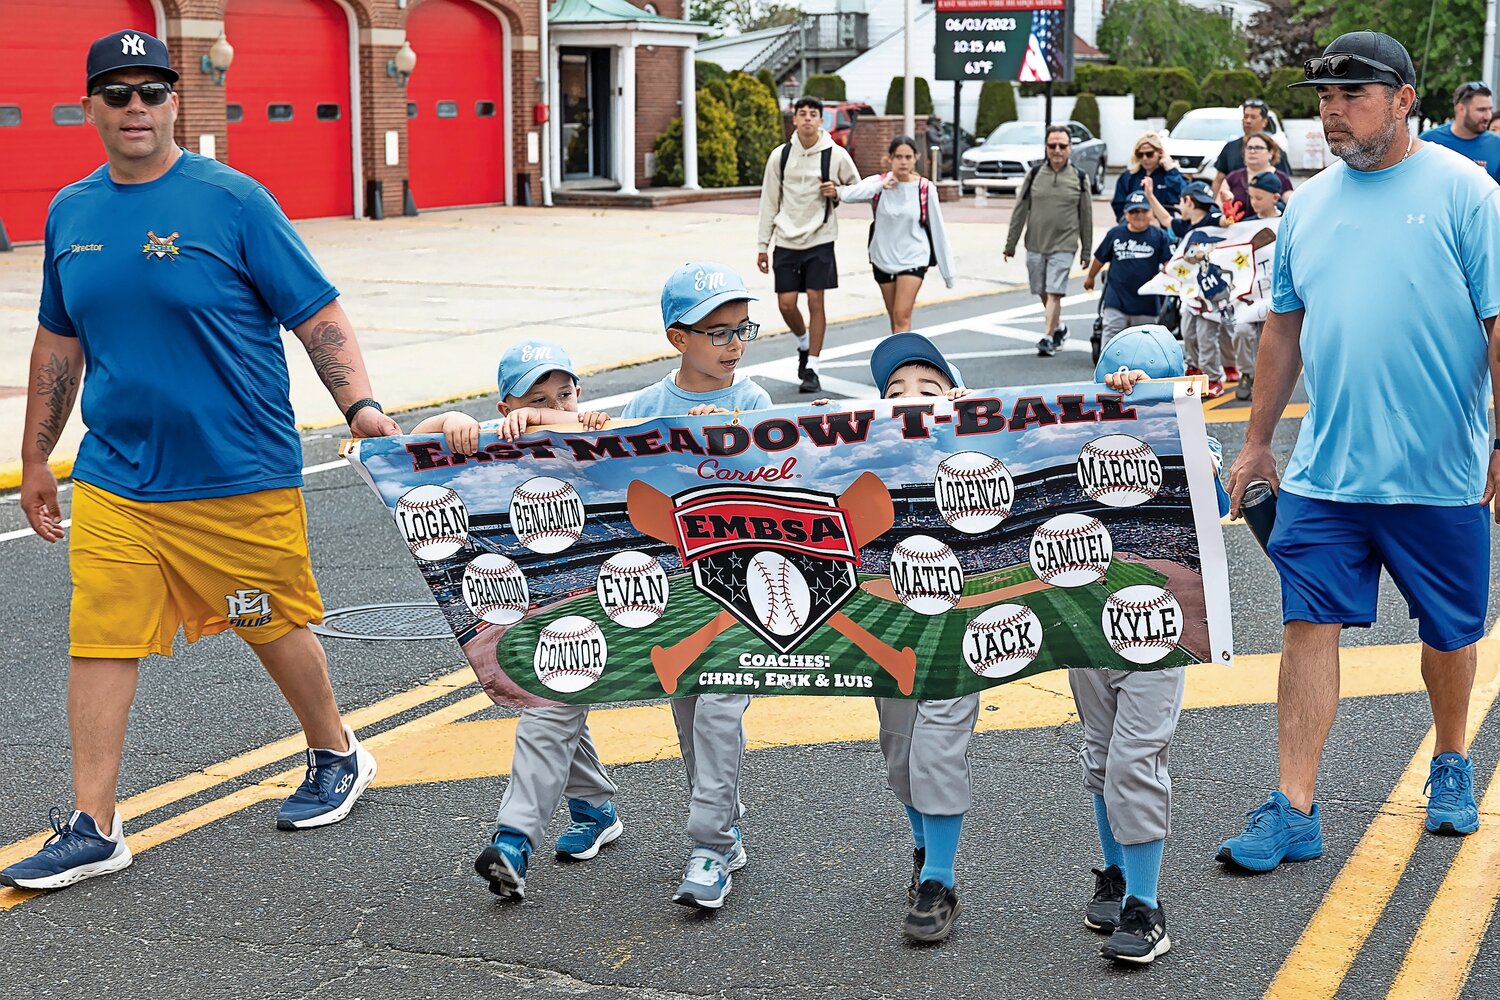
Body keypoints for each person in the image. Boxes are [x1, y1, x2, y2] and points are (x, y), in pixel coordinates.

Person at [1, 30, 401, 892]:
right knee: (100, 636)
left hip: (236, 471)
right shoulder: (71, 212)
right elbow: (57, 343)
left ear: (175, 100)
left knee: (269, 619)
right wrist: (38, 457)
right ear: (92, 108)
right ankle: (92, 825)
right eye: (118, 93)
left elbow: (318, 316)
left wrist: (360, 407)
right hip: (117, 476)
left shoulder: (235, 202)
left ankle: (335, 750)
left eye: (152, 91)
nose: (136, 107)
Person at [1221, 31, 1500, 873]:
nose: (1332, 112)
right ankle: (1294, 807)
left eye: (1352, 96)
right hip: (1327, 472)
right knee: (1307, 625)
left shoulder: (1467, 192)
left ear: (1405, 99)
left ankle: (1450, 762)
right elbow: (1284, 325)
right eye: (1324, 99)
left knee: (1449, 632)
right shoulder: (1308, 204)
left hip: (1438, 471)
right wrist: (1258, 441)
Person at [410, 341, 621, 901]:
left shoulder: (591, 433)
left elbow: (641, 441)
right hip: (532, 600)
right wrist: (451, 421)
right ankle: (593, 807)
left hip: (604, 596)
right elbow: (406, 446)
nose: (558, 405)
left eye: (566, 393)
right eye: (537, 397)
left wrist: (562, 418)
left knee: (550, 703)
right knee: (551, 702)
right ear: (506, 410)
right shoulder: (500, 442)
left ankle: (514, 838)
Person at [622, 262, 773, 908]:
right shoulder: (645, 407)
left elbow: (779, 489)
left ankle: (710, 843)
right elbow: (619, 488)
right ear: (677, 338)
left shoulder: (755, 403)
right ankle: (725, 824)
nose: (735, 343)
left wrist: (735, 443)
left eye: (743, 328)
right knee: (689, 713)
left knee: (718, 712)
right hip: (674, 590)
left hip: (739, 589)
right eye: (719, 332)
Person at [1077, 325, 1228, 965]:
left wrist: (1175, 430)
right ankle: (1115, 875)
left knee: (1135, 760)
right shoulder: (1074, 435)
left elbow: (1215, 504)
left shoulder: (1191, 442)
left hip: (1156, 628)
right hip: (1087, 627)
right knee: (1100, 754)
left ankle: (1145, 905)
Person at [866, 331, 975, 944]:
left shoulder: (981, 446)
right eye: (894, 390)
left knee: (938, 750)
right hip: (893, 631)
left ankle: (939, 877)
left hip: (959, 634)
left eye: (928, 389)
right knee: (901, 751)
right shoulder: (868, 457)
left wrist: (1134, 397)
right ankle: (921, 843)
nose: (909, 400)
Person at [756, 96, 860, 393]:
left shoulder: (835, 154)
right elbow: (768, 201)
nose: (807, 119)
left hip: (821, 238)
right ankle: (803, 342)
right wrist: (763, 245)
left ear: (820, 120)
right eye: (802, 114)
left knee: (816, 299)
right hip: (786, 238)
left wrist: (837, 191)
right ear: (794, 119)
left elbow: (856, 187)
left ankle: (812, 367)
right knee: (786, 304)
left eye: (813, 114)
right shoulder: (781, 156)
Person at [839, 135, 957, 333]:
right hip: (882, 258)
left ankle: (903, 362)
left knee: (902, 316)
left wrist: (948, 273)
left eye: (908, 157)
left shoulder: (925, 188)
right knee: (894, 316)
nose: (903, 162)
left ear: (915, 158)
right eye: (899, 157)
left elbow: (938, 231)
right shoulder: (877, 183)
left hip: (913, 257)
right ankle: (898, 359)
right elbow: (847, 195)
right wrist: (881, 185)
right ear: (890, 159)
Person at [1004, 124, 1093, 357]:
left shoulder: (1080, 178)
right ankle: (1059, 328)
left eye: (1062, 146)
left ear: (1070, 148)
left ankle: (1047, 337)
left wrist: (1086, 251)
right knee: (1042, 290)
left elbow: (1087, 217)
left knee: (1054, 290)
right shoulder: (1034, 175)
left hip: (1064, 245)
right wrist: (1010, 244)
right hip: (1035, 244)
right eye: (1052, 145)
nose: (1057, 150)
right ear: (1046, 147)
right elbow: (1020, 210)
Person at [1083, 192, 1173, 345]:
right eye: (1134, 211)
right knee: (1111, 340)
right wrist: (1090, 277)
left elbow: (1169, 264)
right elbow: (1100, 258)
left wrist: (1164, 279)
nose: (1139, 215)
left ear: (1151, 213)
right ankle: (1109, 368)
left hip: (1147, 303)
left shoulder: (1159, 236)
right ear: (1126, 214)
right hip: (1116, 299)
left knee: (1144, 345)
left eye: (1144, 211)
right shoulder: (1116, 233)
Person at [1229, 174, 1284, 401]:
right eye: (1251, 197)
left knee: (1269, 339)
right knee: (1241, 332)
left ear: (1275, 197)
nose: (1254, 202)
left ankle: (1270, 379)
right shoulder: (1246, 225)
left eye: (1259, 197)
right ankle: (1246, 373)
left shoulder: (1287, 220)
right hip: (1250, 293)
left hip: (1275, 292)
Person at [1211, 99, 1295, 200]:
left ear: (1264, 121)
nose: (1248, 121)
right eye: (1245, 116)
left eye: (1253, 117)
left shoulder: (1275, 150)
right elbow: (1218, 180)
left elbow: (1285, 185)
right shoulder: (1230, 148)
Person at [1420, 81, 1500, 182]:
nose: (1488, 116)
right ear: (1461, 109)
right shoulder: (1428, 141)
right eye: (1481, 110)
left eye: (1490, 109)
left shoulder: (1497, 145)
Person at [1111, 132, 1186, 222]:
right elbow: (1118, 204)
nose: (1145, 158)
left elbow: (1183, 196)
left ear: (1160, 153)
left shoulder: (1169, 175)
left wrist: (1170, 170)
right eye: (1140, 155)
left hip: (1163, 225)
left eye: (1149, 154)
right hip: (1135, 225)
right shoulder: (1129, 177)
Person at [1223, 133, 1294, 214]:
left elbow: (1292, 206)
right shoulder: (1232, 177)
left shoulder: (1282, 178)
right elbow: (1218, 207)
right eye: (1249, 148)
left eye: (1258, 148)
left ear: (1271, 153)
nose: (1252, 151)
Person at [1146, 179, 1221, 240]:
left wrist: (1227, 203)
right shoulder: (1185, 225)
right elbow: (1165, 219)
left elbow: (1226, 220)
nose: (1179, 206)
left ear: (1188, 201)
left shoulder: (1212, 220)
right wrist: (1150, 195)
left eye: (1180, 201)